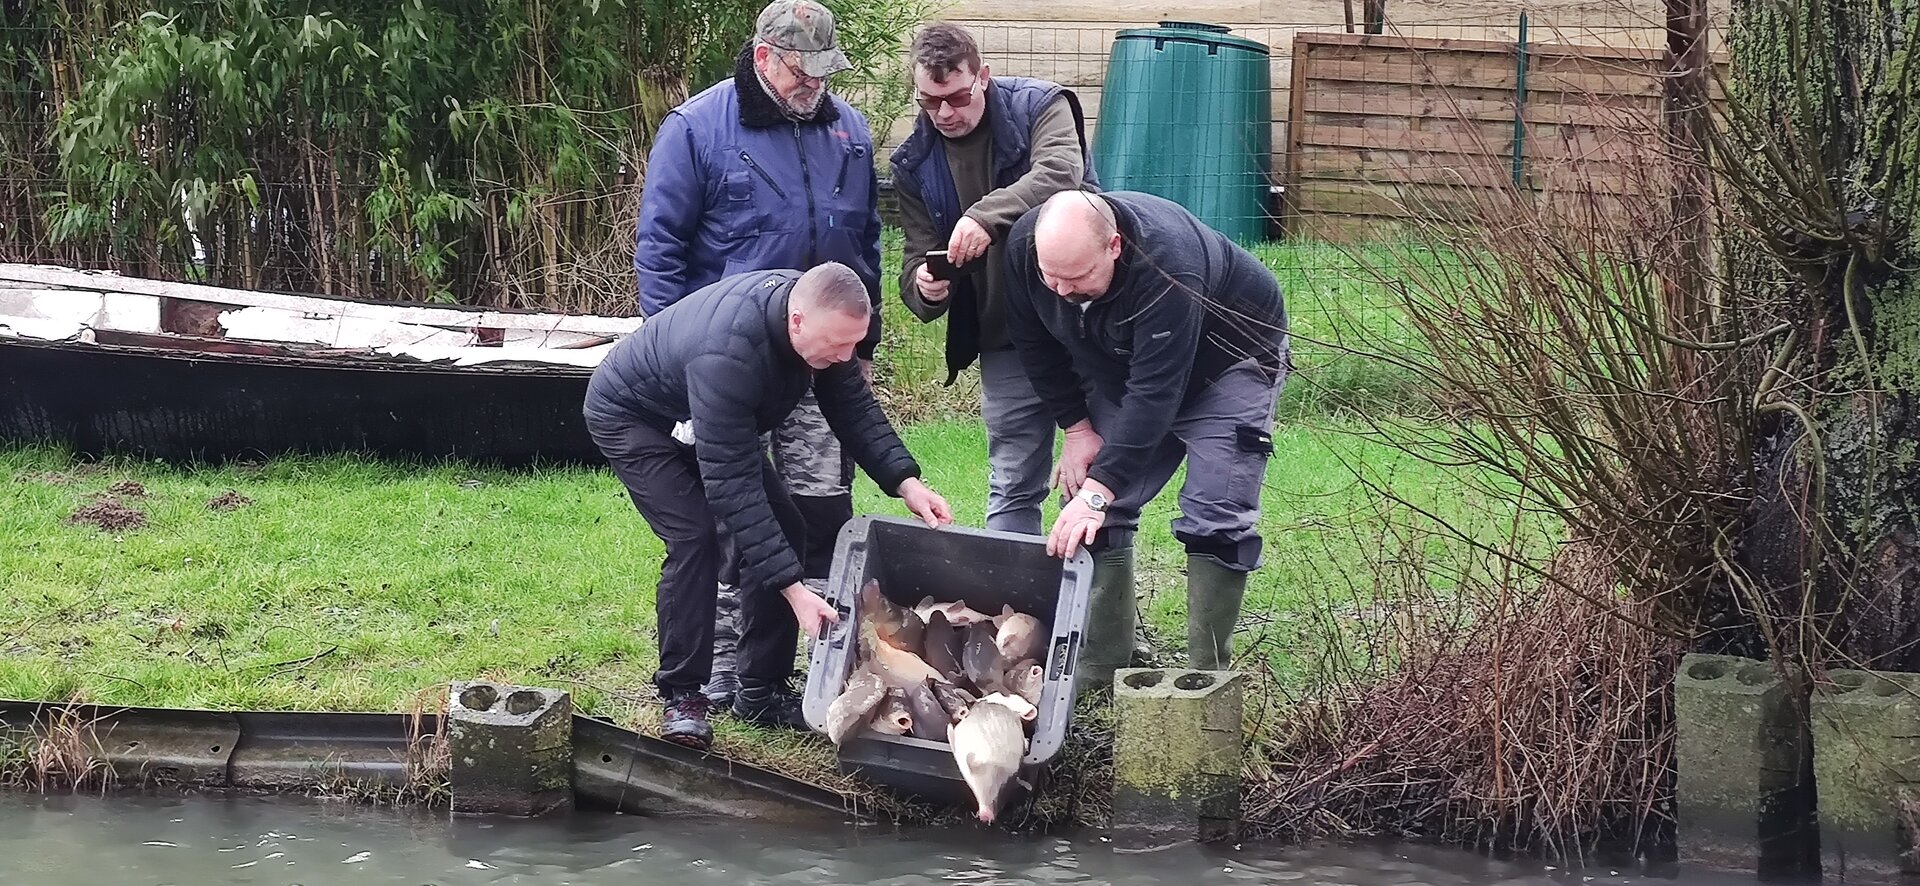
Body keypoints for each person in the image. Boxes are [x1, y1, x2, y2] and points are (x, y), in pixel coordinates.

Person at [583, 263, 953, 751]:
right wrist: (794, 590)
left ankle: (761, 690)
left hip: (703, 416)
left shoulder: (823, 327)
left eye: (853, 345)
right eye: (837, 346)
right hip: (633, 417)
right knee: (694, 537)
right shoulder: (728, 354)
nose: (845, 357)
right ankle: (682, 695)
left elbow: (854, 408)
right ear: (796, 321)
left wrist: (906, 482)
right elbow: (733, 487)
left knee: (787, 525)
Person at [633, 0, 884, 709]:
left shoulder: (850, 131)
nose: (816, 85)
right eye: (803, 72)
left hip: (822, 357)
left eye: (826, 72)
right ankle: (718, 664)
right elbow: (660, 249)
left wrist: (863, 345)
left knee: (820, 509)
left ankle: (805, 664)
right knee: (729, 509)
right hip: (728, 366)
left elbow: (864, 243)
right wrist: (679, 366)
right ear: (765, 57)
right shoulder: (696, 128)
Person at [1002, 190, 1290, 685]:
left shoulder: (1169, 265)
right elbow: (1034, 344)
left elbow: (1157, 392)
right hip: (1125, 365)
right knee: (1092, 510)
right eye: (1051, 276)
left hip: (1230, 362)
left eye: (1077, 277)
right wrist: (1077, 428)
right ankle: (1104, 663)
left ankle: (1206, 675)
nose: (1062, 291)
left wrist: (1100, 489)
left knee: (1216, 512)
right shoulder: (1028, 247)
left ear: (1114, 246)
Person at [889, 22, 1099, 536]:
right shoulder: (913, 163)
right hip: (1005, 338)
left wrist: (984, 216)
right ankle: (1012, 588)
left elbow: (1061, 174)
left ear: (982, 76)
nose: (945, 113)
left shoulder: (1041, 106)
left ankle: (1097, 590)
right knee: (1013, 483)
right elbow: (915, 257)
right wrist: (925, 287)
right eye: (929, 102)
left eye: (957, 98)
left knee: (1099, 480)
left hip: (1085, 321)